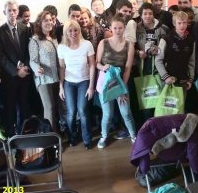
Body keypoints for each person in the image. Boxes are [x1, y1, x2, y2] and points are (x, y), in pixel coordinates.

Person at [96, 14, 136, 149]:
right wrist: (103, 67)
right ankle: (104, 136)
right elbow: (97, 63)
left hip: (121, 83)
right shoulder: (104, 43)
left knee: (126, 112)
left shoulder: (129, 45)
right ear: (111, 28)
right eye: (115, 28)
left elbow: (128, 68)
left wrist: (122, 89)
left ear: (124, 28)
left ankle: (133, 135)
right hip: (105, 83)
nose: (117, 30)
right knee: (107, 114)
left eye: (120, 28)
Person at [0, 0, 32, 137]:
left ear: (18, 12)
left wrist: (25, 68)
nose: (12, 13)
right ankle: (11, 137)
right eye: (9, 10)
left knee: (24, 107)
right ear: (4, 12)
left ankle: (23, 135)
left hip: (25, 76)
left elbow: (28, 51)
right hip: (9, 78)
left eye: (14, 10)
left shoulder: (25, 29)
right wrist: (16, 72)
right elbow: (1, 57)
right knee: (9, 109)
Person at [58, 20, 96, 149]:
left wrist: (91, 86)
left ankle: (87, 139)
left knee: (83, 111)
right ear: (66, 33)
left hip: (84, 82)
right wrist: (61, 86)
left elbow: (92, 65)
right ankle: (72, 137)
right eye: (70, 31)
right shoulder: (61, 47)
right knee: (71, 112)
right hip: (69, 83)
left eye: (76, 30)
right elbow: (62, 68)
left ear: (79, 31)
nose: (73, 33)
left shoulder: (87, 45)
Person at [134, 2, 169, 124]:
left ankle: (158, 124)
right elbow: (130, 47)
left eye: (150, 13)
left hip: (158, 68)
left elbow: (167, 47)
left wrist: (159, 49)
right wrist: (138, 52)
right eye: (145, 13)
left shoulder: (163, 28)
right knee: (146, 99)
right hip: (142, 68)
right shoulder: (136, 28)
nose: (148, 16)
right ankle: (146, 126)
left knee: (158, 99)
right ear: (141, 15)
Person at [29, 11, 60, 131]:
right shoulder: (35, 40)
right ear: (39, 23)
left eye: (50, 20)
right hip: (43, 79)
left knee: (55, 107)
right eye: (45, 20)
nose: (49, 22)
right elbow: (33, 60)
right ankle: (50, 139)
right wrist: (37, 69)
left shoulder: (53, 38)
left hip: (56, 77)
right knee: (49, 107)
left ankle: (56, 134)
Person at [155, 11, 195, 97]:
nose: (182, 25)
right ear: (174, 24)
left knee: (180, 107)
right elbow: (158, 60)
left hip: (183, 80)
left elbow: (191, 61)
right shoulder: (166, 39)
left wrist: (190, 79)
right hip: (167, 79)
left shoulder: (191, 41)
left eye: (184, 23)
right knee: (166, 108)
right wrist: (166, 77)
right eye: (179, 23)